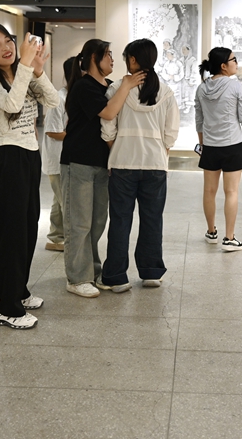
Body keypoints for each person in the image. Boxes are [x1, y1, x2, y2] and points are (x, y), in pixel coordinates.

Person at [0, 22, 59, 329]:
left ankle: (19, 290)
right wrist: (25, 66)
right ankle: (6, 307)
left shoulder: (20, 74)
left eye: (8, 40)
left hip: (30, 156)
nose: (6, 47)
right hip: (8, 158)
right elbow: (12, 104)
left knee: (27, 229)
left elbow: (53, 100)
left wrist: (38, 70)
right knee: (11, 235)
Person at [60, 39, 145, 298]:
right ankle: (77, 278)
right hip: (78, 163)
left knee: (97, 222)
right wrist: (127, 84)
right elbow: (108, 114)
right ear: (93, 58)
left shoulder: (108, 86)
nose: (112, 59)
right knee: (79, 223)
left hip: (102, 164)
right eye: (107, 54)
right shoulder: (84, 86)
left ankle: (92, 270)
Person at [98, 39, 179, 292]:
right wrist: (161, 152)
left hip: (122, 163)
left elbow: (107, 126)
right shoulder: (166, 91)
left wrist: (118, 148)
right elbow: (171, 133)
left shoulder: (117, 89)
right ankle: (152, 272)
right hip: (155, 164)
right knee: (152, 219)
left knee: (120, 221)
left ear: (133, 60)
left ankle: (116, 276)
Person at [195, 47, 242, 251]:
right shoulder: (235, 86)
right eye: (233, 59)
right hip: (232, 145)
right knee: (231, 191)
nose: (236, 63)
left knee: (209, 191)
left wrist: (202, 143)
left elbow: (199, 120)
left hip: (210, 146)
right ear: (223, 65)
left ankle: (211, 232)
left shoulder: (202, 88)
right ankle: (229, 238)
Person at [41, 56, 77, 252]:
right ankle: (70, 241)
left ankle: (55, 237)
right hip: (58, 160)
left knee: (60, 200)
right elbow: (52, 131)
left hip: (68, 158)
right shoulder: (59, 98)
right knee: (67, 202)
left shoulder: (73, 96)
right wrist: (79, 136)